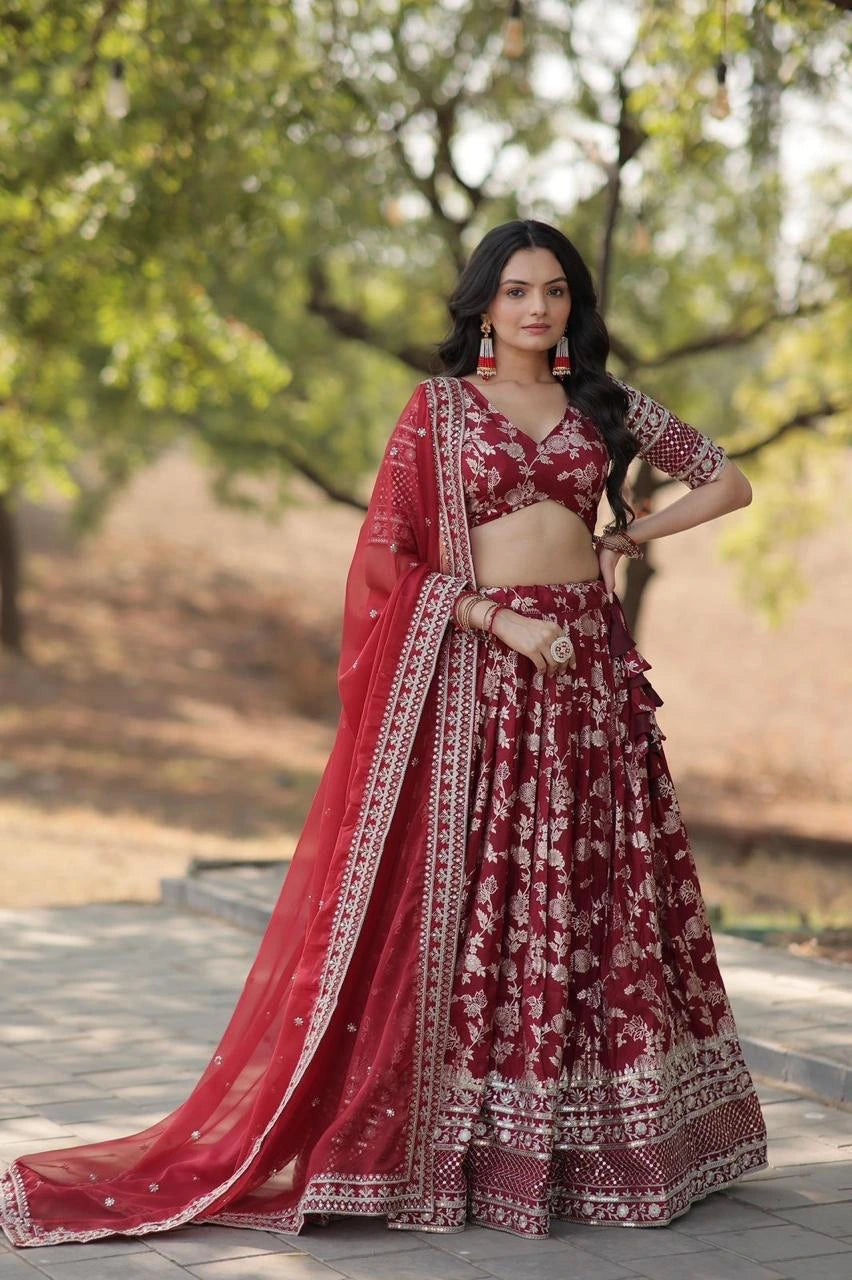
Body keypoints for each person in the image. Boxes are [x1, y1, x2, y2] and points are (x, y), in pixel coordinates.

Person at [0, 219, 767, 1249]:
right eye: (517, 291)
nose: (538, 308)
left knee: (596, 893)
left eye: (555, 292)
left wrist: (631, 532)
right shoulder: (439, 411)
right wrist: (501, 617)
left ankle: (602, 1145)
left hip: (589, 676)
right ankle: (463, 1143)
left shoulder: (605, 404)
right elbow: (388, 565)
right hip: (487, 677)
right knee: (489, 895)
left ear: (575, 306)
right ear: (484, 305)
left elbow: (728, 479)